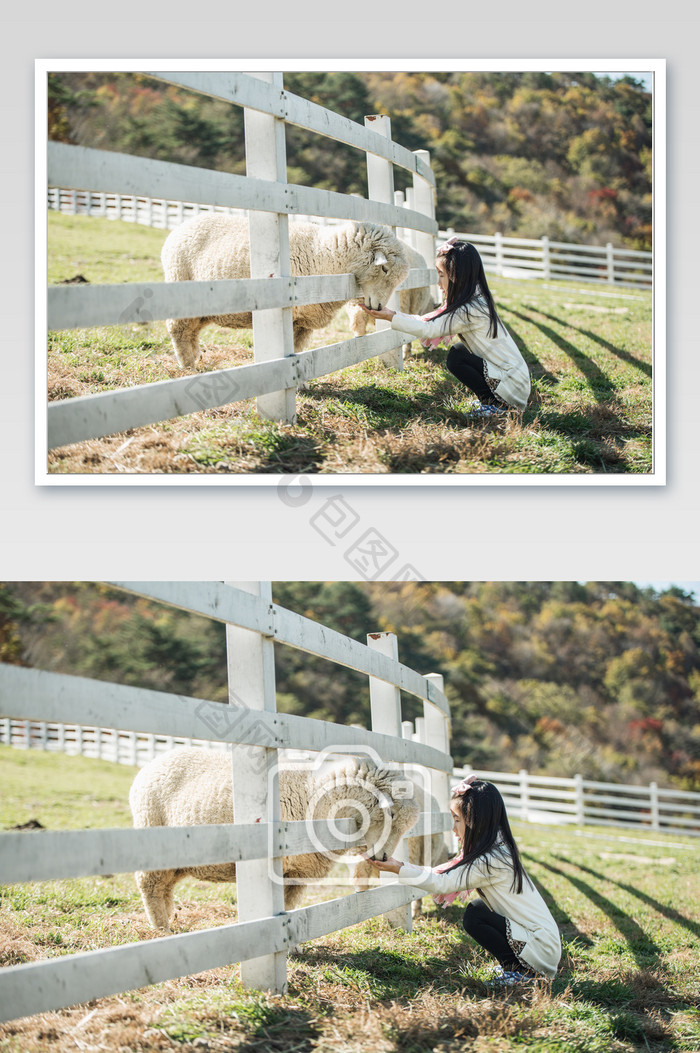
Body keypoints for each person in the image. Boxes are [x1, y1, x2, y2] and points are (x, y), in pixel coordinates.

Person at [365, 775, 561, 986]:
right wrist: (401, 865)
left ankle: (519, 972)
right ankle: (517, 964)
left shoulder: (489, 861)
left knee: (474, 916)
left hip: (541, 949)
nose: (453, 829)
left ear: (476, 822)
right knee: (479, 906)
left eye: (457, 820)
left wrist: (398, 869)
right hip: (544, 944)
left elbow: (443, 882)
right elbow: (443, 873)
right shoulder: (498, 847)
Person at [359, 236, 530, 417]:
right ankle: (494, 399)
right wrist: (393, 315)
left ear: (457, 276)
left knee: (456, 358)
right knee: (459, 349)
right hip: (516, 379)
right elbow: (430, 321)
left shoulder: (468, 310)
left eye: (442, 275)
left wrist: (390, 316)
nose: (438, 283)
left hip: (512, 385)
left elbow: (429, 328)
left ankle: (495, 405)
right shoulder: (476, 297)